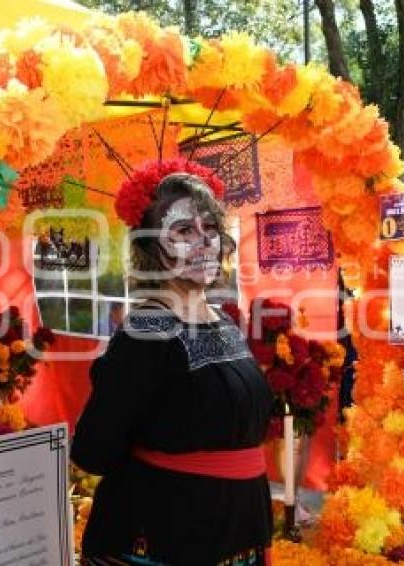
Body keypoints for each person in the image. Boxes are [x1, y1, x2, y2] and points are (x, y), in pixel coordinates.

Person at [71, 159, 274, 565]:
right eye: (184, 231)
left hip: (237, 535)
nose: (204, 242)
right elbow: (94, 450)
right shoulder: (146, 332)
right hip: (167, 541)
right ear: (150, 247)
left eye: (210, 229)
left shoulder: (223, 320)